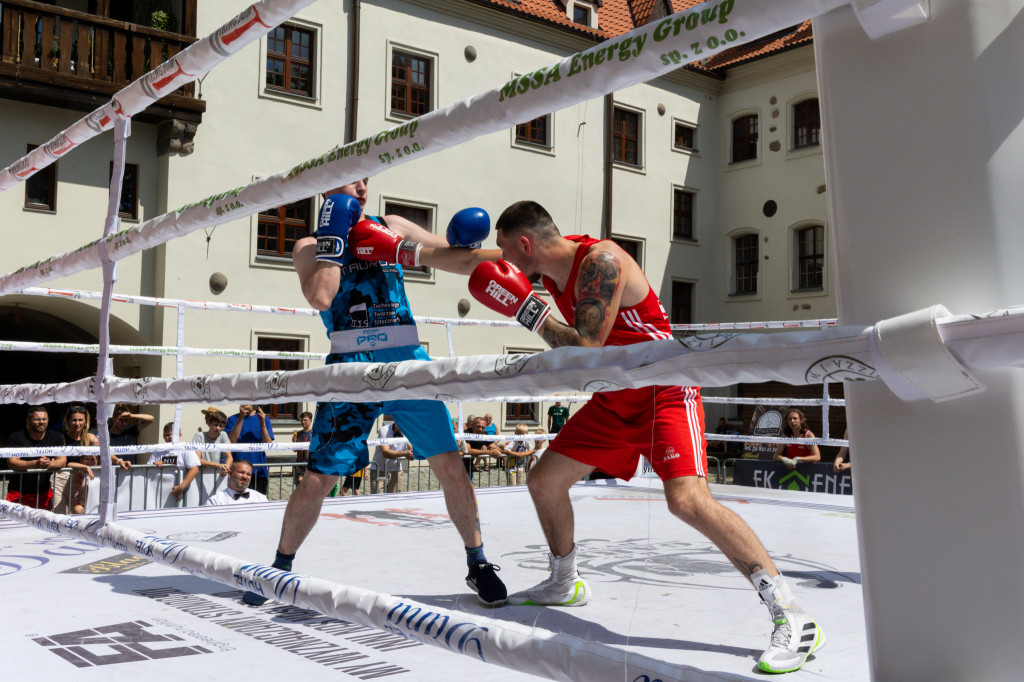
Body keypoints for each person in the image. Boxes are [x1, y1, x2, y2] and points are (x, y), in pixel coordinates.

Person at [349, 199, 825, 673]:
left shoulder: (601, 262)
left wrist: (526, 310)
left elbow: (586, 351)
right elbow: (465, 259)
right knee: (544, 481)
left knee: (687, 501)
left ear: (526, 244)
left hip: (661, 388)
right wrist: (395, 244)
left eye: (509, 253)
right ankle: (565, 581)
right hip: (616, 397)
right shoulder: (545, 264)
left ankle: (790, 612)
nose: (504, 263)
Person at [242, 179, 506, 608]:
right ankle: (280, 567)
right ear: (327, 187)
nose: (363, 185)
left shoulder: (392, 224)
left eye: (367, 177)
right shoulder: (309, 245)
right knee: (317, 480)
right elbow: (322, 294)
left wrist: (516, 254)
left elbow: (454, 259)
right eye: (353, 178)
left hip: (407, 361)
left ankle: (477, 563)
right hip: (351, 369)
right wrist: (336, 234)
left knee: (450, 467)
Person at [54, 405, 130, 514]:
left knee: (78, 513)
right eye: (74, 420)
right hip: (61, 479)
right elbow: (66, 462)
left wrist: (119, 461)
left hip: (80, 481)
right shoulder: (61, 438)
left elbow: (104, 452)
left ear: (85, 421)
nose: (77, 423)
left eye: (80, 420)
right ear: (68, 421)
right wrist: (85, 467)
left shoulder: (89, 437)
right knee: (59, 515)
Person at [5, 405, 66, 509]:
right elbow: (12, 463)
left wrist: (49, 463)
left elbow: (62, 460)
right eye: (37, 419)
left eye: (44, 419)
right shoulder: (16, 437)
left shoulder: (56, 437)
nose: (41, 422)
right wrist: (36, 463)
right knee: (14, 524)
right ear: (28, 421)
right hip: (18, 493)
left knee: (41, 525)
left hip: (43, 493)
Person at [225, 404, 274, 495]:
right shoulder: (232, 419)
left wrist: (262, 423)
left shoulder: (264, 419)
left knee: (259, 504)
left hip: (259, 472)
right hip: (238, 472)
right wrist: (241, 417)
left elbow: (268, 445)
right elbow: (231, 442)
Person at [150, 423, 201, 501]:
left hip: (181, 497)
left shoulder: (186, 449)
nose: (170, 437)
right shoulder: (157, 450)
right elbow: (147, 470)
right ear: (163, 436)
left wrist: (180, 488)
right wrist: (154, 465)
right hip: (159, 496)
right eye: (167, 435)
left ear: (180, 435)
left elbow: (195, 469)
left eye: (173, 434)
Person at [371, 420, 412, 493]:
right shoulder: (384, 430)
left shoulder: (407, 431)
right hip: (379, 469)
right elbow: (385, 452)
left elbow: (411, 447)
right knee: (377, 499)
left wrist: (412, 452)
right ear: (395, 421)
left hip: (396, 470)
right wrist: (405, 454)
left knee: (394, 500)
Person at [206, 460, 270, 506]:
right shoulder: (215, 502)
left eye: (248, 474)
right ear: (230, 474)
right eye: (241, 472)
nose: (245, 477)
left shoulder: (260, 499)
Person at [192, 406, 231, 474]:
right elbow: (196, 459)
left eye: (221, 426)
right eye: (215, 425)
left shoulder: (223, 435)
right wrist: (218, 465)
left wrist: (226, 467)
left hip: (217, 473)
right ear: (209, 423)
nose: (218, 428)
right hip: (200, 474)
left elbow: (229, 457)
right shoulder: (199, 436)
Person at [292, 410, 313, 486]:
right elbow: (295, 450)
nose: (303, 422)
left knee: (307, 486)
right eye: (301, 420)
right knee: (298, 486)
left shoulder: (313, 434)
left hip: (309, 465)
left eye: (305, 420)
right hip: (298, 463)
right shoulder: (299, 433)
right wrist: (294, 442)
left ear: (310, 421)